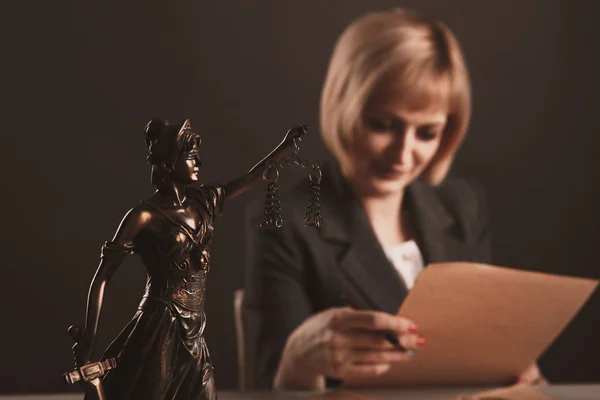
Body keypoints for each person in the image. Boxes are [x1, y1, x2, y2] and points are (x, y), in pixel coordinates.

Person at [244, 8, 545, 390]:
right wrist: (300, 358)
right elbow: (270, 386)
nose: (403, 154)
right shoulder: (287, 219)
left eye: (427, 133)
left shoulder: (461, 207)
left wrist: (517, 373)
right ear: (345, 107)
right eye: (383, 126)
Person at [71, 118, 306, 399]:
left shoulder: (202, 202)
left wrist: (283, 147)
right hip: (160, 325)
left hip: (194, 327)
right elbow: (103, 277)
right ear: (170, 163)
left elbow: (249, 178)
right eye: (191, 157)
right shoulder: (143, 216)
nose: (199, 164)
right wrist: (88, 342)